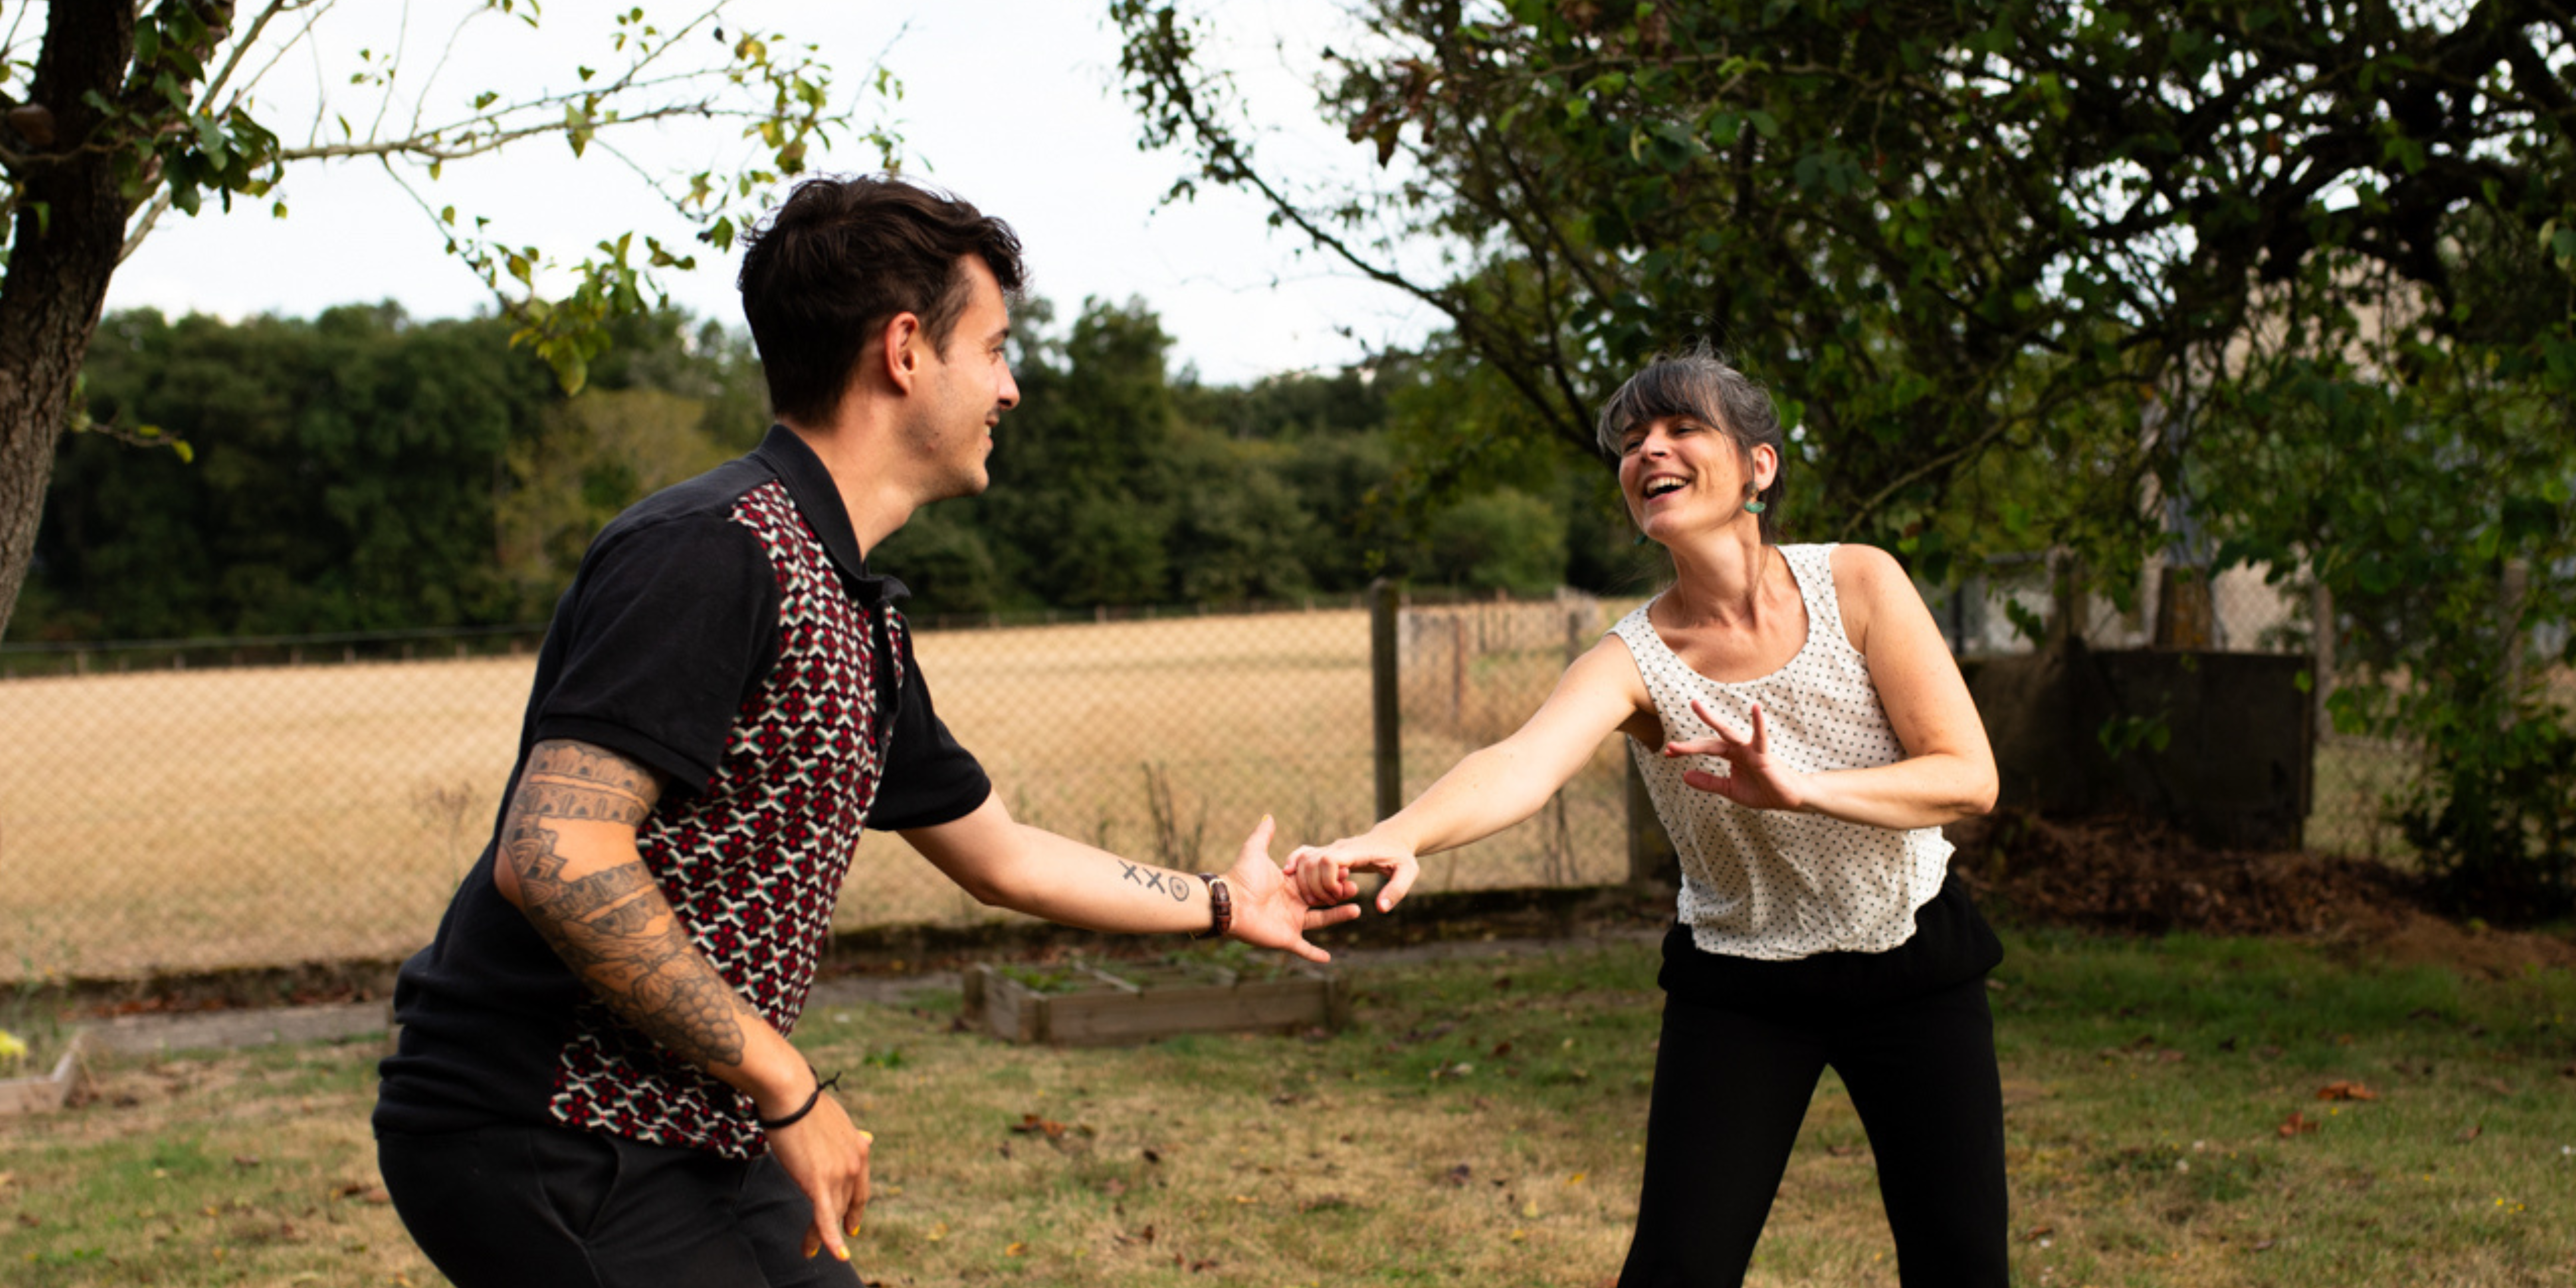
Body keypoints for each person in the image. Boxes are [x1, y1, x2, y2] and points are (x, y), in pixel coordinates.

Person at [372, 174, 1357, 1288]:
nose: (1013, 388)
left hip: (704, 1125)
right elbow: (556, 854)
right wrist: (786, 1082)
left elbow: (1004, 854)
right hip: (544, 1125)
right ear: (903, 351)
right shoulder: (712, 549)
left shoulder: (853, 609)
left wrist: (1227, 904)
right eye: (992, 350)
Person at [1288, 347, 2008, 1286]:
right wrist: (1396, 836)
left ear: (1759, 466)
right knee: (1679, 1269)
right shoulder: (1633, 658)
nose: (1648, 452)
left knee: (1961, 1267)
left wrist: (1799, 787)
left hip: (1914, 957)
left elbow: (1968, 777)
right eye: (1631, 443)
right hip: (1743, 983)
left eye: (1680, 429)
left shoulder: (1858, 584)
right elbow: (1519, 763)